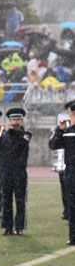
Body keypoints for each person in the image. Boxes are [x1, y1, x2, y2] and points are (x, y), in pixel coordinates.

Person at [0, 108, 31, 236]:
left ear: (21, 120)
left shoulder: (25, 134)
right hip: (6, 172)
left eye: (18, 119)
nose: (15, 122)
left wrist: (9, 131)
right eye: (13, 119)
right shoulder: (4, 135)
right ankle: (8, 227)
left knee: (20, 201)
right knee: (6, 201)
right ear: (10, 120)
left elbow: (20, 143)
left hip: (19, 173)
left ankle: (19, 227)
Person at [49, 100, 75, 245]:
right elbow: (53, 145)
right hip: (71, 169)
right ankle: (73, 236)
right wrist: (59, 130)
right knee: (71, 204)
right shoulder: (66, 130)